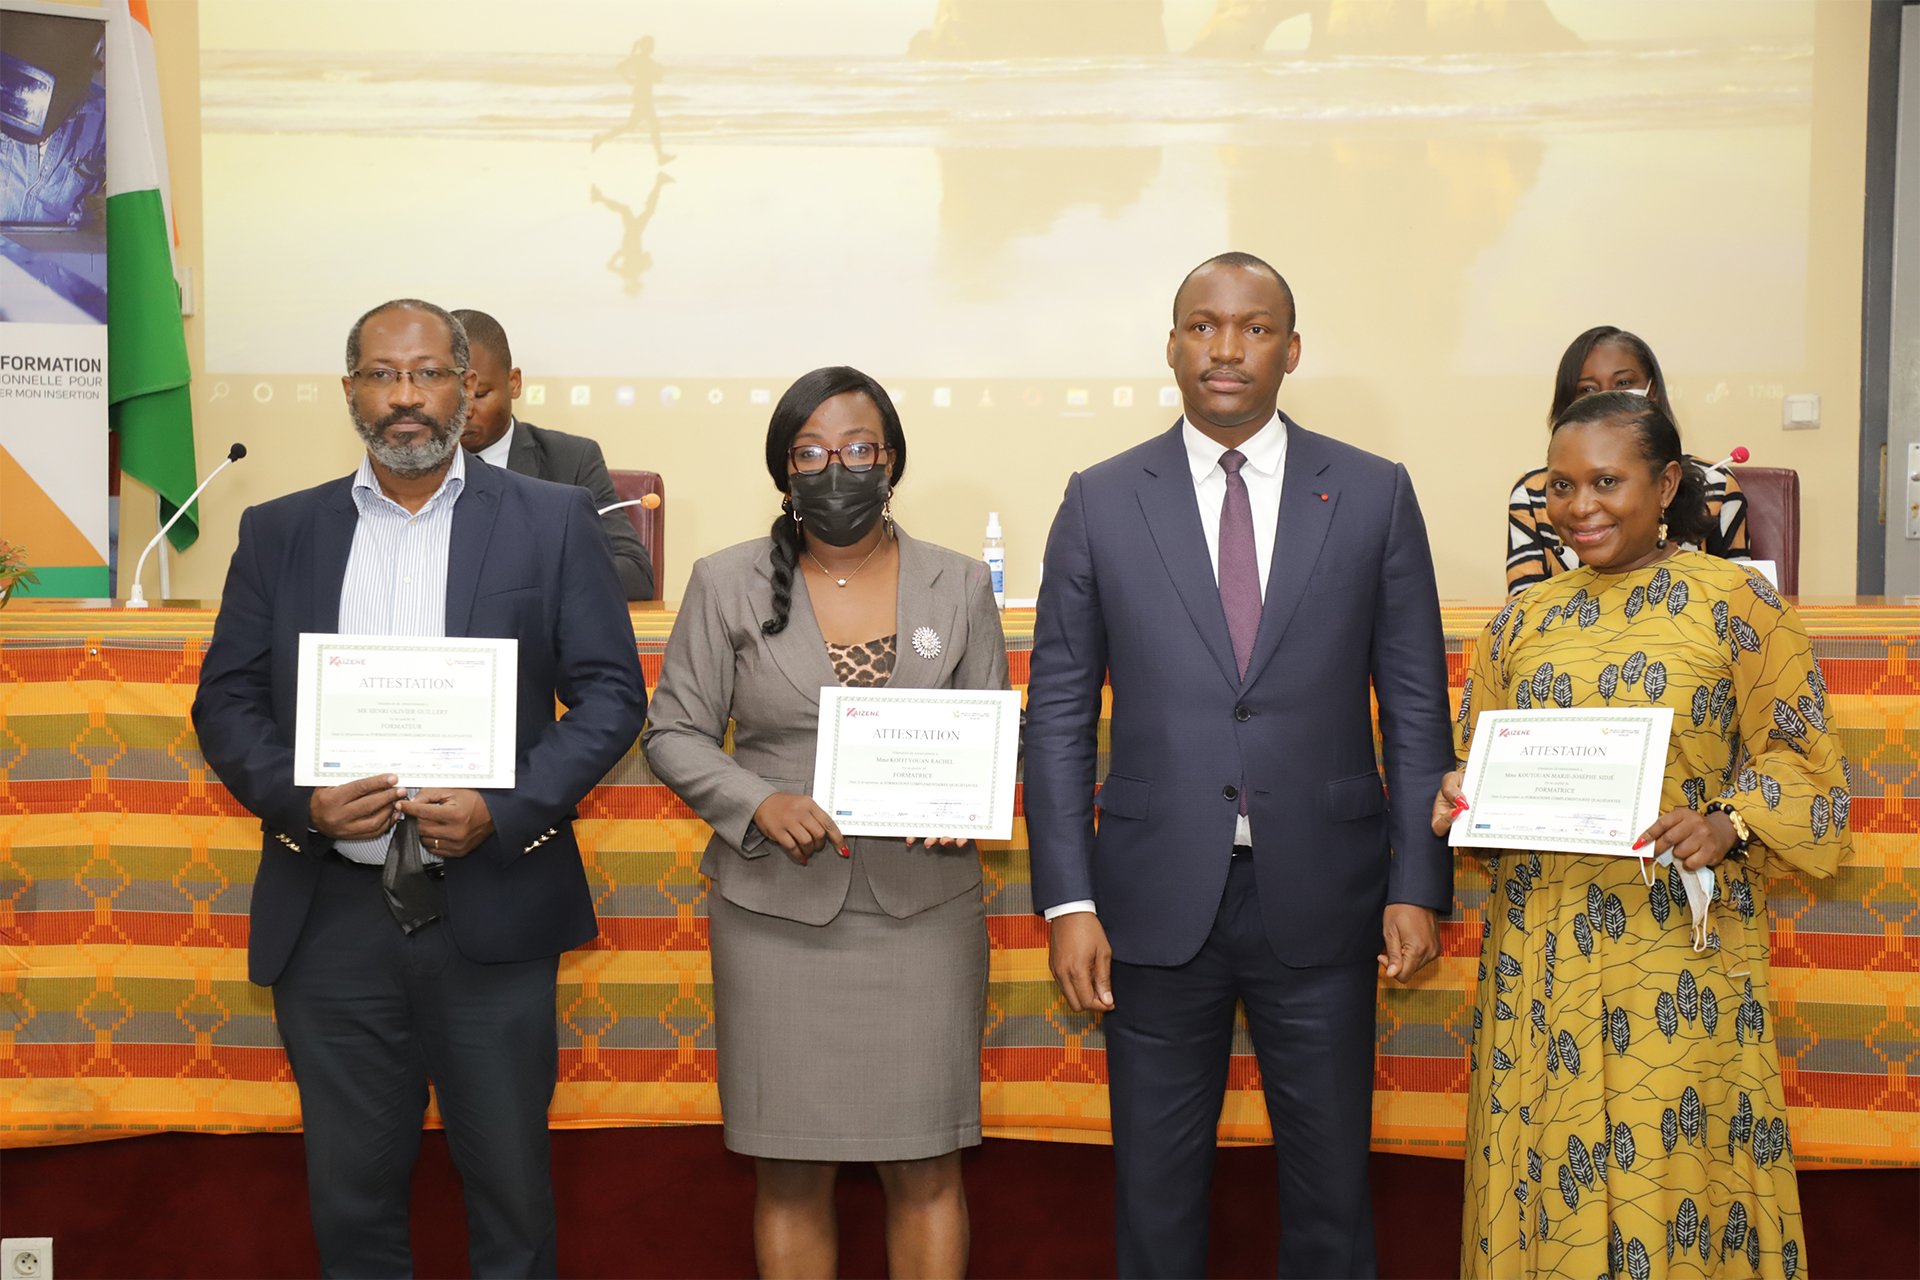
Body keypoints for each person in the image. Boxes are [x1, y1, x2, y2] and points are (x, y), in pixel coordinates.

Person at [192, 299, 649, 1278]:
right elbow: (226, 703)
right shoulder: (278, 531)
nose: (407, 397)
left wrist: (509, 804)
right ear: (351, 388)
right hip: (333, 916)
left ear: (468, 384)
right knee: (351, 1210)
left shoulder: (550, 519)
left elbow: (614, 696)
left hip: (491, 909)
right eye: (383, 375)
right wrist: (300, 796)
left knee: (513, 1206)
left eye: (429, 373)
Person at [1025, 252, 1456, 1278]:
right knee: (1157, 1201)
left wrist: (1416, 882)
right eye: (1205, 325)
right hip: (1149, 902)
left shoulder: (1371, 492)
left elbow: (1413, 704)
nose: (1228, 347)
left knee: (1331, 1195)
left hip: (1327, 891)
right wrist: (1066, 901)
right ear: (1172, 345)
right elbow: (1057, 716)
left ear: (1292, 348)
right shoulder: (1098, 499)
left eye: (1255, 327)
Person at [1436, 390, 1851, 1279]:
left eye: (1606, 482)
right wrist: (1462, 803)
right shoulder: (1519, 622)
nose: (1579, 507)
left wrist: (1729, 821)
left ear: (1666, 484)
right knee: (1545, 1166)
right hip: (1539, 950)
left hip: (1676, 950)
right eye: (1560, 487)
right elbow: (1479, 767)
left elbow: (1804, 762)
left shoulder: (1738, 601)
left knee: (1673, 1169)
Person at [641, 366, 1006, 1279]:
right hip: (777, 914)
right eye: (810, 451)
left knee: (925, 1164)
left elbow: (994, 727)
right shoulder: (723, 581)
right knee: (791, 1170)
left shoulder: (958, 583)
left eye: (855, 449)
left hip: (923, 911)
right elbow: (672, 733)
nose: (833, 467)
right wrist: (755, 801)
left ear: (890, 462)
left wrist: (964, 796)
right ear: (783, 468)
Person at [1507, 326, 1750, 597]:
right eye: (1587, 389)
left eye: (1623, 384)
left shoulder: (1716, 483)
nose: (1581, 507)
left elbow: (1741, 596)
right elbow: (1522, 605)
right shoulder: (1533, 492)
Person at [452, 309, 656, 600]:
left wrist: (526, 576)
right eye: (453, 396)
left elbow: (635, 575)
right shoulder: (416, 467)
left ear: (514, 383)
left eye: (481, 394)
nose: (466, 411)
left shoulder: (571, 460)